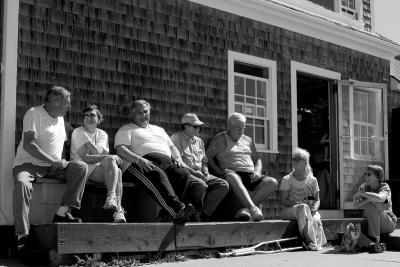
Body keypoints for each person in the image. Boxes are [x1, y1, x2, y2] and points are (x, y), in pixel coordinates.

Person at [13, 86, 88, 252]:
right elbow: (29, 144)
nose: (69, 107)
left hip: (52, 166)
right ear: (56, 101)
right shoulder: (34, 113)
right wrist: (53, 161)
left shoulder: (60, 119)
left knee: (80, 167)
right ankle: (22, 236)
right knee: (21, 184)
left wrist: (59, 161)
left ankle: (62, 212)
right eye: (67, 103)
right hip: (28, 164)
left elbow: (57, 145)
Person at [114, 99, 195, 223]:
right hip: (139, 163)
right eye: (139, 113)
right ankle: (177, 209)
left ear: (149, 113)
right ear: (132, 115)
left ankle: (166, 215)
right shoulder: (127, 129)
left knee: (183, 173)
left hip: (167, 163)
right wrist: (138, 159)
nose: (143, 115)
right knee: (157, 174)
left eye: (145, 112)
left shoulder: (159, 130)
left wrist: (178, 158)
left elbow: (172, 147)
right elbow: (120, 149)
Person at [206, 112, 278, 221]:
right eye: (237, 127)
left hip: (250, 175)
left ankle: (246, 210)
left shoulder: (248, 140)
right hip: (232, 174)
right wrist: (219, 171)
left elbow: (257, 159)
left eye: (242, 127)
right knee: (232, 176)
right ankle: (253, 208)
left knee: (272, 182)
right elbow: (207, 157)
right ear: (229, 127)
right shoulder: (220, 139)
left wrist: (257, 171)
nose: (240, 129)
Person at [70, 105, 126, 223]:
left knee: (116, 168)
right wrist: (103, 154)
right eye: (85, 116)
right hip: (81, 168)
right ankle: (118, 209)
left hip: (97, 168)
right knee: (113, 163)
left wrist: (90, 145)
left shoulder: (102, 134)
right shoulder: (78, 131)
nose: (88, 117)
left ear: (99, 119)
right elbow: (86, 158)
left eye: (92, 115)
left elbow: (98, 152)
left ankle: (113, 202)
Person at [170, 113, 229, 221]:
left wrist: (205, 171)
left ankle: (202, 214)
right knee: (201, 184)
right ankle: (194, 215)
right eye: (195, 127)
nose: (198, 129)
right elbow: (178, 162)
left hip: (200, 172)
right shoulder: (175, 138)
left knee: (222, 184)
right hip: (186, 173)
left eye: (199, 127)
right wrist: (196, 173)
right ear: (186, 126)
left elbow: (204, 161)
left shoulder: (199, 141)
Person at [279, 148, 327, 251]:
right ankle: (310, 242)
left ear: (305, 162)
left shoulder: (312, 180)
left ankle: (318, 244)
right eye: (293, 158)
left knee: (315, 219)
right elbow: (284, 201)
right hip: (290, 210)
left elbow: (317, 200)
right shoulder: (287, 179)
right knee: (303, 207)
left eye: (298, 158)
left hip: (307, 211)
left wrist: (314, 207)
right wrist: (300, 203)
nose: (294, 160)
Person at [353, 165, 397, 252]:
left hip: (387, 223)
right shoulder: (364, 187)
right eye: (364, 174)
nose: (365, 176)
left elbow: (380, 198)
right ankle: (371, 245)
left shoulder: (384, 187)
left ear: (377, 176)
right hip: (370, 221)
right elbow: (356, 206)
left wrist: (364, 194)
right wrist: (369, 199)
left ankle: (377, 240)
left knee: (370, 206)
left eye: (369, 174)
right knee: (348, 227)